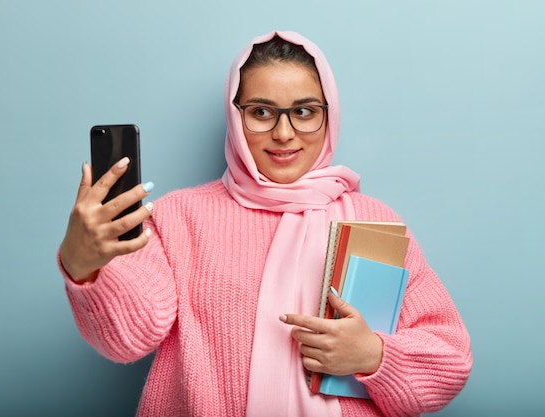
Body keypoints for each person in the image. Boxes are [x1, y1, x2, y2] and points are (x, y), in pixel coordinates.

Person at [58, 30, 472, 417]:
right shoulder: (177, 217)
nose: (284, 133)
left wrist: (374, 355)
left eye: (305, 111)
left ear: (329, 116)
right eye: (261, 112)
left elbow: (450, 359)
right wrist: (84, 266)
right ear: (236, 118)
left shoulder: (374, 220)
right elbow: (128, 338)